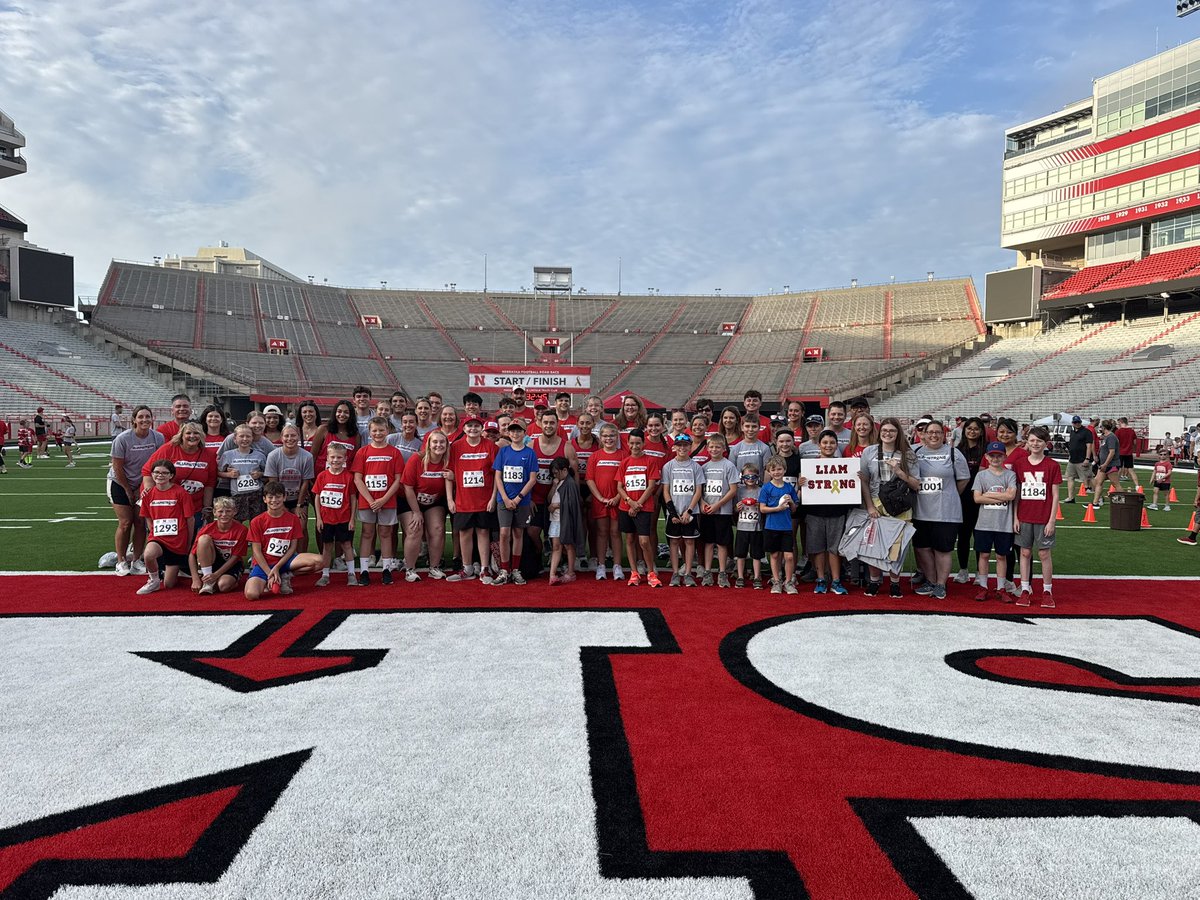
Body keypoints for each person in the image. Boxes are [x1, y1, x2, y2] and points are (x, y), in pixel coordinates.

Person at [912, 420, 970, 600]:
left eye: (938, 432)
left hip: (946, 512)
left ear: (944, 435)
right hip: (920, 510)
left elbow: (963, 479)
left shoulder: (954, 453)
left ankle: (941, 584)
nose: (934, 435)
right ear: (924, 434)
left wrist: (948, 494)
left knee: (942, 549)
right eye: (930, 432)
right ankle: (930, 580)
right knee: (922, 548)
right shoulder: (915, 452)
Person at [109, 406, 165, 575]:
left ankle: (137, 559)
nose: (144, 420)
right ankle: (121, 561)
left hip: (143, 482)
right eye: (140, 417)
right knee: (126, 523)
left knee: (140, 522)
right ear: (133, 420)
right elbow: (117, 467)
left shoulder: (158, 437)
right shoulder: (123, 439)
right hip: (120, 482)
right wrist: (128, 489)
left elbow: (158, 462)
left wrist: (142, 486)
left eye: (147, 416)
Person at [244, 481, 322, 600]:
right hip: (264, 563)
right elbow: (256, 552)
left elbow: (292, 547)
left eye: (278, 497)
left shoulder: (293, 519)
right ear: (264, 499)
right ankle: (270, 578)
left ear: (284, 497)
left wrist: (277, 567)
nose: (274, 500)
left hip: (286, 561)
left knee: (320, 561)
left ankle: (285, 575)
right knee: (251, 595)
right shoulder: (257, 521)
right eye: (270, 497)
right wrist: (269, 572)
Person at [351, 416, 405, 585]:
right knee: (367, 533)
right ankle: (365, 570)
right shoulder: (363, 452)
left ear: (387, 431)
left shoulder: (394, 452)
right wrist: (370, 499)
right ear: (369, 432)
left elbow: (398, 479)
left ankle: (387, 569)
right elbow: (357, 479)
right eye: (374, 430)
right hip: (367, 501)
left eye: (381, 430)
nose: (378, 433)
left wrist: (383, 499)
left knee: (386, 533)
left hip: (387, 501)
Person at [1013, 425, 1061, 608]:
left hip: (1043, 517)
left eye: (1039, 441)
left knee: (1044, 554)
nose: (1035, 444)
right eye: (1032, 440)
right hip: (1024, 516)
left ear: (1045, 443)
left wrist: (1052, 520)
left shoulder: (1052, 465)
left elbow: (1055, 495)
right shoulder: (1020, 464)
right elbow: (1017, 493)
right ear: (1027, 442)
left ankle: (1047, 591)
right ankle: (1025, 589)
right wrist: (1015, 517)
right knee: (1024, 553)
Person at [798, 429, 852, 595]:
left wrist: (856, 478)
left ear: (836, 445)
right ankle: (821, 579)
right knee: (818, 548)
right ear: (819, 444)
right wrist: (800, 484)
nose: (828, 446)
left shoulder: (845, 465)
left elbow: (850, 487)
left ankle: (836, 580)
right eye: (825, 443)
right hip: (815, 512)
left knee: (834, 549)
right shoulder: (809, 465)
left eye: (832, 443)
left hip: (837, 512)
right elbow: (800, 495)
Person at [446, 416, 498, 582]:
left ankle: (484, 569)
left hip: (484, 500)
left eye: (476, 426)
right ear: (464, 428)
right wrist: (450, 499)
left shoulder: (490, 446)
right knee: (464, 533)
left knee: (483, 532)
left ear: (481, 428)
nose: (473, 429)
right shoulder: (455, 447)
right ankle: (467, 568)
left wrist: (493, 498)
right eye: (469, 426)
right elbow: (448, 474)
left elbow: (497, 474)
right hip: (463, 500)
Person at [143, 422, 217, 531]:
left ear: (201, 436)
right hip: (169, 504)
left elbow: (209, 483)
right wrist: (149, 490)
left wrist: (206, 508)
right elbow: (147, 470)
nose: (192, 436)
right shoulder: (168, 449)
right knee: (167, 540)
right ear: (181, 435)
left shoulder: (208, 455)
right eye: (188, 433)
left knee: (192, 540)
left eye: (196, 433)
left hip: (195, 506)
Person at [136, 459, 194, 595]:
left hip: (177, 541)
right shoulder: (148, 494)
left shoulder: (181, 493)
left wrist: (189, 542)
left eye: (164, 473)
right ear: (152, 474)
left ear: (171, 475)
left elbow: (190, 519)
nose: (160, 475)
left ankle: (174, 570)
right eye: (156, 472)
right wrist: (153, 534)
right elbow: (147, 516)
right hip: (159, 539)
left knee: (169, 584)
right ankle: (153, 580)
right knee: (148, 554)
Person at [491, 420, 538, 585]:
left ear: (524, 433)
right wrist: (505, 498)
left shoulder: (530, 453)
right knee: (504, 534)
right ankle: (504, 570)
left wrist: (518, 498)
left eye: (519, 431)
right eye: (512, 431)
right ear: (508, 433)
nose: (515, 434)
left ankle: (516, 569)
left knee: (518, 534)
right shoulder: (503, 452)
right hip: (504, 500)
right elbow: (498, 476)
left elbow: (532, 479)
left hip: (522, 501)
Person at [616, 429, 662, 587]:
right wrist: (630, 502)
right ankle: (634, 572)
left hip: (644, 507)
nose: (635, 446)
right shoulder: (625, 462)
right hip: (626, 507)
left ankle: (650, 572)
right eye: (632, 443)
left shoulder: (650, 461)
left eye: (638, 443)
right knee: (629, 539)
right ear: (628, 443)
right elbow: (620, 487)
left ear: (643, 444)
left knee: (643, 541)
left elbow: (651, 487)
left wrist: (637, 504)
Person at [402, 430, 451, 580]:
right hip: (410, 500)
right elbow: (408, 487)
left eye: (442, 442)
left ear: (447, 445)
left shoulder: (448, 460)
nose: (438, 445)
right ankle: (410, 569)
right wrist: (416, 512)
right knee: (415, 528)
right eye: (435, 442)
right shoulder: (417, 459)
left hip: (434, 501)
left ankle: (434, 567)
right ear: (428, 444)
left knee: (437, 528)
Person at [971, 442, 1016, 602]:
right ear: (986, 457)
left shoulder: (1010, 475)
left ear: (1004, 456)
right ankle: (983, 587)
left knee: (1001, 556)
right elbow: (977, 498)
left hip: (1004, 524)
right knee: (983, 555)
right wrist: (1000, 496)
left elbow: (1011, 496)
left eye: (999, 455)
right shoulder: (981, 476)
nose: (995, 458)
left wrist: (988, 495)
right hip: (984, 523)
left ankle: (1001, 587)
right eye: (992, 455)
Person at [313, 443, 359, 586]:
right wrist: (318, 518)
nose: (335, 460)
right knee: (327, 547)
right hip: (326, 519)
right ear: (327, 458)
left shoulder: (349, 477)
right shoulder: (322, 476)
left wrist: (352, 519)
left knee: (347, 545)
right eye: (332, 457)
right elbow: (317, 497)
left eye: (339, 457)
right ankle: (325, 574)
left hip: (343, 519)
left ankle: (351, 574)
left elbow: (353, 498)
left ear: (345, 459)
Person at [586, 423, 627, 580]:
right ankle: (601, 565)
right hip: (601, 500)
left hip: (618, 500)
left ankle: (617, 565)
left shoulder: (623, 455)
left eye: (612, 435)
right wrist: (600, 498)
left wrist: (618, 497)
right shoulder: (595, 456)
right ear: (600, 438)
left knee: (615, 532)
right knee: (602, 532)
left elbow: (625, 480)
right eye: (605, 436)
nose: (608, 438)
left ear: (616, 437)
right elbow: (590, 479)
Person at [661, 432, 702, 587]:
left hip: (690, 512)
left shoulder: (696, 467)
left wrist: (689, 511)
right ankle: (675, 573)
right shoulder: (668, 466)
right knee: (674, 541)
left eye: (685, 445)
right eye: (679, 445)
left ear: (690, 446)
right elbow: (666, 490)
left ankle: (688, 573)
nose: (682, 448)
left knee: (690, 542)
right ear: (674, 447)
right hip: (674, 511)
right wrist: (672, 512)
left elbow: (698, 491)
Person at [265, 424, 315, 550]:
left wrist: (299, 505)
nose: (290, 438)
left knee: (301, 527)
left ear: (298, 437)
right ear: (281, 438)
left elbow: (305, 482)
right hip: (280, 498)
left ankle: (301, 556)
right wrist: (280, 505)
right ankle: (282, 557)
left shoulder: (307, 457)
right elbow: (273, 484)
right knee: (282, 528)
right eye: (286, 436)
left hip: (299, 498)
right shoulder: (273, 455)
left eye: (293, 435)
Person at [699, 433, 739, 587]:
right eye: (712, 447)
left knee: (722, 543)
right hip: (708, 511)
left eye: (718, 447)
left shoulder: (728, 466)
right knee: (708, 542)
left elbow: (733, 490)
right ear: (707, 448)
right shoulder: (704, 467)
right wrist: (702, 503)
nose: (714, 449)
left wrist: (718, 505)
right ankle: (708, 572)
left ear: (724, 448)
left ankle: (722, 573)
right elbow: (699, 490)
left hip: (723, 512)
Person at [189, 496, 249, 595]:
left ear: (234, 512)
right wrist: (195, 579)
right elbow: (192, 555)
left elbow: (235, 557)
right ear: (214, 512)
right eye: (220, 511)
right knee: (204, 539)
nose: (224, 515)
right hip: (212, 562)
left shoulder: (242, 530)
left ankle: (218, 581)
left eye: (228, 511)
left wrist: (216, 575)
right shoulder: (207, 529)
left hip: (232, 564)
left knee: (223, 586)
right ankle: (208, 580)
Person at [760, 454, 801, 594]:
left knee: (789, 556)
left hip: (786, 527)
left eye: (779, 469)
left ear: (784, 470)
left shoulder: (789, 488)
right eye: (773, 470)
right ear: (769, 472)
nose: (776, 472)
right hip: (771, 526)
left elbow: (795, 508)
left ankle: (788, 582)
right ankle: (776, 581)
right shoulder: (766, 488)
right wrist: (777, 509)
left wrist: (791, 503)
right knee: (775, 555)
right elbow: (762, 509)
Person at [953, 417, 986, 584]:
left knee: (979, 536)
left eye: (976, 428)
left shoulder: (986, 450)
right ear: (964, 431)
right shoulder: (958, 450)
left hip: (982, 499)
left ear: (981, 431)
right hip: (963, 498)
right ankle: (963, 569)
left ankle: (980, 572)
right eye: (969, 428)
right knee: (963, 536)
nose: (972, 431)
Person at [218, 424, 267, 523]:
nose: (245, 439)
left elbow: (267, 474)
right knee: (236, 524)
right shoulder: (228, 455)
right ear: (235, 439)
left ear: (252, 438)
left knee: (256, 524)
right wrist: (229, 475)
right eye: (241, 436)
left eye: (248, 436)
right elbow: (218, 472)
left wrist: (259, 474)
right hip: (237, 495)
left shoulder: (260, 455)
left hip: (256, 495)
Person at [547, 456, 584, 584]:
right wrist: (553, 486)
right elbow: (549, 498)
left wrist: (555, 506)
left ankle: (570, 572)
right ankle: (552, 575)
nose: (554, 474)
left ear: (564, 470)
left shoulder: (570, 483)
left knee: (568, 545)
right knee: (556, 546)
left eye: (556, 472)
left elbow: (572, 504)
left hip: (565, 520)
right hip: (556, 519)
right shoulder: (560, 482)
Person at [571, 412, 599, 569]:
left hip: (593, 488)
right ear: (577, 424)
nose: (585, 426)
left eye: (588, 423)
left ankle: (594, 556)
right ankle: (580, 554)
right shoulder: (572, 444)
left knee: (592, 522)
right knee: (579, 522)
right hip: (578, 486)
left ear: (593, 424)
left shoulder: (598, 443)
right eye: (582, 423)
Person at [733, 462, 765, 589]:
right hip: (742, 527)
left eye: (753, 477)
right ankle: (740, 576)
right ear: (742, 478)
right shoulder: (739, 491)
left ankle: (757, 576)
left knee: (756, 554)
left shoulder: (761, 491)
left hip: (757, 528)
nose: (750, 480)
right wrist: (737, 507)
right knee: (740, 553)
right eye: (747, 477)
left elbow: (764, 508)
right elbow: (734, 509)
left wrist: (759, 506)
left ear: (758, 477)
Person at [1091, 419, 1121, 508]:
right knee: (1097, 482)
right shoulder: (1105, 437)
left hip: (1111, 465)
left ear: (1104, 427)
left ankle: (1122, 501)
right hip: (1104, 465)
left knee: (1116, 484)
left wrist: (1105, 464)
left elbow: (1112, 452)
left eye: (1101, 427)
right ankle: (1095, 503)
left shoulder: (1111, 437)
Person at [1064, 415, 1092, 503]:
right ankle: (1070, 497)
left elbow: (1089, 446)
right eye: (1075, 422)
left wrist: (1087, 458)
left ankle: (1098, 497)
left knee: (1088, 479)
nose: (1077, 424)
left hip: (1082, 459)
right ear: (1072, 423)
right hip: (1072, 459)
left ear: (1081, 422)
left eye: (1078, 422)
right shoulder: (1072, 432)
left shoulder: (1086, 432)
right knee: (1070, 477)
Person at [1147, 447, 1174, 512]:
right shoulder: (1157, 464)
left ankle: (1167, 505)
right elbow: (1154, 471)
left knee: (1166, 494)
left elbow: (1169, 472)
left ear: (1167, 455)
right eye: (1161, 454)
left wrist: (1162, 478)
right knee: (1155, 491)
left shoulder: (1168, 464)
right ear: (1159, 455)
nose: (1163, 456)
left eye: (1164, 454)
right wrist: (1152, 479)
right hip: (1157, 480)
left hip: (1165, 481)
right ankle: (1154, 504)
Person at [1115, 417, 1140, 489]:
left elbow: (1116, 442)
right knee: (1131, 469)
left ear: (1121, 422)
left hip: (1120, 452)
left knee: (1118, 469)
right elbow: (1135, 442)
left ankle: (1116, 485)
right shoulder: (1132, 431)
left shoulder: (1118, 431)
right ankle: (1137, 485)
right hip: (1128, 452)